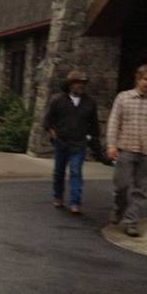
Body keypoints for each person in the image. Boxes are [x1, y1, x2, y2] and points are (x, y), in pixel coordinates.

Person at [106, 64, 147, 238]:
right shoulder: (123, 98)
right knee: (121, 185)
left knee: (141, 190)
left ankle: (131, 222)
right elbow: (114, 122)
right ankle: (118, 208)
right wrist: (111, 145)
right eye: (146, 79)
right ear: (138, 79)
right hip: (126, 148)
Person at [43, 70, 100, 215]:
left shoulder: (90, 102)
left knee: (76, 171)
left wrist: (92, 139)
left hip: (79, 143)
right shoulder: (58, 100)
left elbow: (94, 125)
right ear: (69, 85)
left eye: (82, 83)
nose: (80, 86)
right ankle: (58, 197)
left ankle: (75, 202)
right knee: (59, 172)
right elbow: (48, 120)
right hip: (61, 142)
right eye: (77, 83)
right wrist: (52, 133)